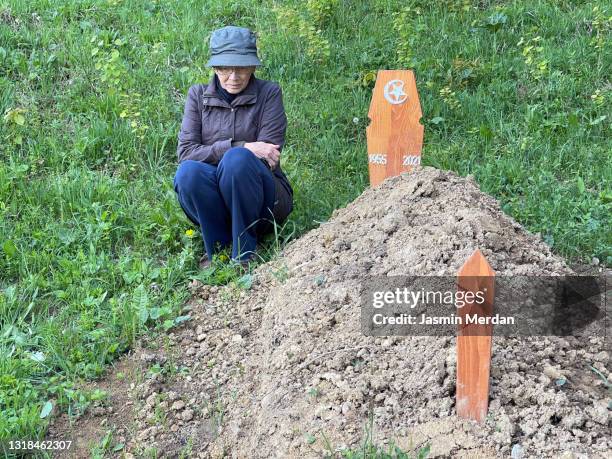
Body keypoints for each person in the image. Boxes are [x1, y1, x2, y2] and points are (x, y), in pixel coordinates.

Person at [173, 26, 293, 268]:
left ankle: (245, 253)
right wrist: (243, 146)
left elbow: (268, 156)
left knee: (237, 160)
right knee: (188, 173)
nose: (233, 76)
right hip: (215, 198)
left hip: (263, 200)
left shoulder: (269, 93)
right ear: (215, 68)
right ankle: (217, 250)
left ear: (252, 67)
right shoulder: (197, 96)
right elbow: (186, 153)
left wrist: (236, 153)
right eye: (225, 69)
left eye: (241, 68)